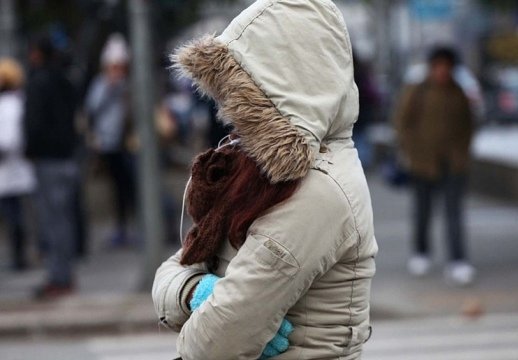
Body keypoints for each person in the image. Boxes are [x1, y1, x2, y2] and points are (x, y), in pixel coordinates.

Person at [152, 1, 378, 359]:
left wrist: (204, 298)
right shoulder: (257, 171)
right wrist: (196, 291)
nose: (230, 109)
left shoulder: (318, 190)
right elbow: (172, 269)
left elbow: (213, 344)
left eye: (246, 91)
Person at [394, 47, 475, 286]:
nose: (442, 71)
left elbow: (468, 124)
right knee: (422, 211)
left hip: (453, 163)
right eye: (438, 66)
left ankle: (458, 260)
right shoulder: (417, 91)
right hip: (422, 162)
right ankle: (421, 252)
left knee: (454, 213)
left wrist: (462, 153)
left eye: (446, 66)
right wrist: (410, 151)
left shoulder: (458, 92)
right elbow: (402, 123)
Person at [24, 36, 79, 299]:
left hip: (48, 160)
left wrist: (30, 149)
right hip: (67, 157)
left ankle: (59, 276)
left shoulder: (38, 83)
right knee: (63, 220)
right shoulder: (65, 80)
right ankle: (64, 273)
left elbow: (34, 125)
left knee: (53, 222)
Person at [86, 34, 136, 246]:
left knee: (131, 187)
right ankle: (121, 228)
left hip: (127, 144)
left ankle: (133, 227)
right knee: (116, 189)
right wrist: (110, 88)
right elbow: (92, 108)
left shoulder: (129, 85)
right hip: (108, 144)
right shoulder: (101, 85)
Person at [0, 58, 36, 271]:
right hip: (13, 167)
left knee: (14, 216)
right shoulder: (17, 101)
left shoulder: (9, 104)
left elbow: (9, 138)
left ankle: (19, 257)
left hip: (11, 166)